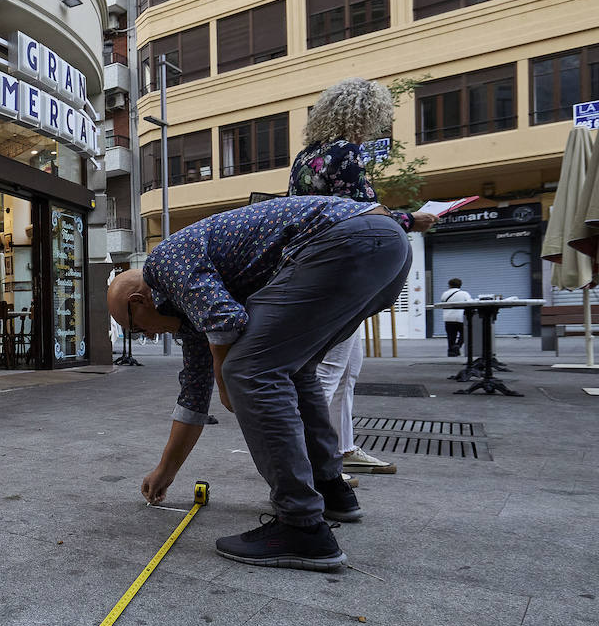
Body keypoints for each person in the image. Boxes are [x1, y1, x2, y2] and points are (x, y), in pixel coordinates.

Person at [108, 195, 412, 571]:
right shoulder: (191, 311)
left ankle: (301, 527)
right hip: (385, 245)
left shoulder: (162, 264)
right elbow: (193, 397)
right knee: (293, 369)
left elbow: (224, 320)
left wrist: (226, 378)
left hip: (342, 241)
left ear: (139, 301)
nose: (147, 338)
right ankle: (331, 488)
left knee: (249, 370)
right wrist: (165, 472)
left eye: (135, 329)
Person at [287, 78, 436, 480]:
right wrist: (411, 219)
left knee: (348, 366)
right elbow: (361, 215)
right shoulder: (346, 153)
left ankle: (343, 446)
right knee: (331, 369)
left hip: (317, 264)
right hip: (341, 270)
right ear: (365, 115)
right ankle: (315, 460)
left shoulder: (305, 157)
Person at [440, 277, 472, 356]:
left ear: (449, 285)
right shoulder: (464, 293)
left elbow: (442, 301)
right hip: (460, 317)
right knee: (464, 333)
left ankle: (451, 351)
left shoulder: (445, 293)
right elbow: (470, 302)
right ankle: (458, 345)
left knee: (451, 335)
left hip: (448, 317)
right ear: (460, 285)